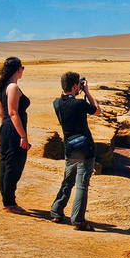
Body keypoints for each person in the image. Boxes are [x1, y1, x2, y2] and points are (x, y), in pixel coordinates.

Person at [51, 72, 101, 231]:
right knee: (81, 185)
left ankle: (56, 210)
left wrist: (78, 89)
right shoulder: (79, 104)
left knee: (68, 181)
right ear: (74, 86)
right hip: (85, 149)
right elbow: (97, 110)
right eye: (78, 85)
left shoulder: (57, 103)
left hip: (70, 149)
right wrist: (87, 92)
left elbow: (64, 98)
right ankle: (78, 220)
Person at [0, 57, 30, 215]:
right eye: (22, 67)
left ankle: (7, 200)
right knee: (13, 166)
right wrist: (22, 135)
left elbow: (2, 114)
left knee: (5, 164)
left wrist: (5, 132)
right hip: (14, 131)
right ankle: (10, 203)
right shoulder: (13, 87)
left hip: (6, 129)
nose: (23, 70)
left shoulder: (1, 88)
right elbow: (13, 112)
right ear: (18, 69)